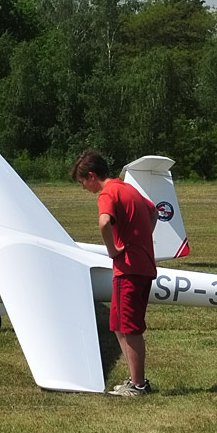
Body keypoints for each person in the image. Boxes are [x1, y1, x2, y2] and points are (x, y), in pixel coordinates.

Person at [72, 148, 158, 397]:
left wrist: (112, 250)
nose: (84, 188)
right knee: (120, 324)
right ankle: (135, 381)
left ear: (91, 176)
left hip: (128, 268)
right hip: (143, 265)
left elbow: (104, 222)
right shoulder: (128, 189)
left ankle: (139, 385)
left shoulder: (108, 192)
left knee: (129, 326)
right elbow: (152, 212)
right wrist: (141, 236)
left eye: (82, 183)